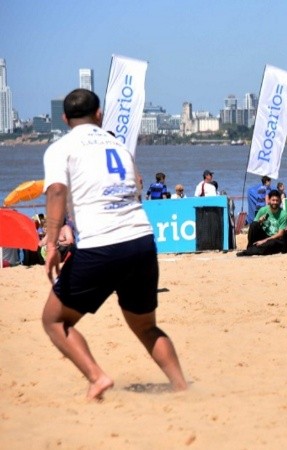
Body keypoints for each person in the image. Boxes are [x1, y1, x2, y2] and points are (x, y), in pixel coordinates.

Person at [41, 88, 187, 400]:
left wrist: (52, 244)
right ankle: (181, 387)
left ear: (64, 118)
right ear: (99, 114)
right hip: (140, 240)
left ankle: (97, 377)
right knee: (146, 327)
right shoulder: (118, 145)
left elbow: (55, 191)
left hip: (101, 245)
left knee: (54, 320)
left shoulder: (61, 147)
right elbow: (135, 184)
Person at [236, 189, 287, 256]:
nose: (275, 202)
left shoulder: (283, 214)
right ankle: (250, 247)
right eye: (273, 200)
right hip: (263, 235)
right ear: (269, 200)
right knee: (254, 224)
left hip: (275, 238)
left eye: (277, 200)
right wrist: (260, 221)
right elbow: (253, 227)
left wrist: (265, 240)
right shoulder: (263, 210)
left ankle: (248, 252)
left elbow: (280, 234)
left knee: (270, 244)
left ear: (280, 201)